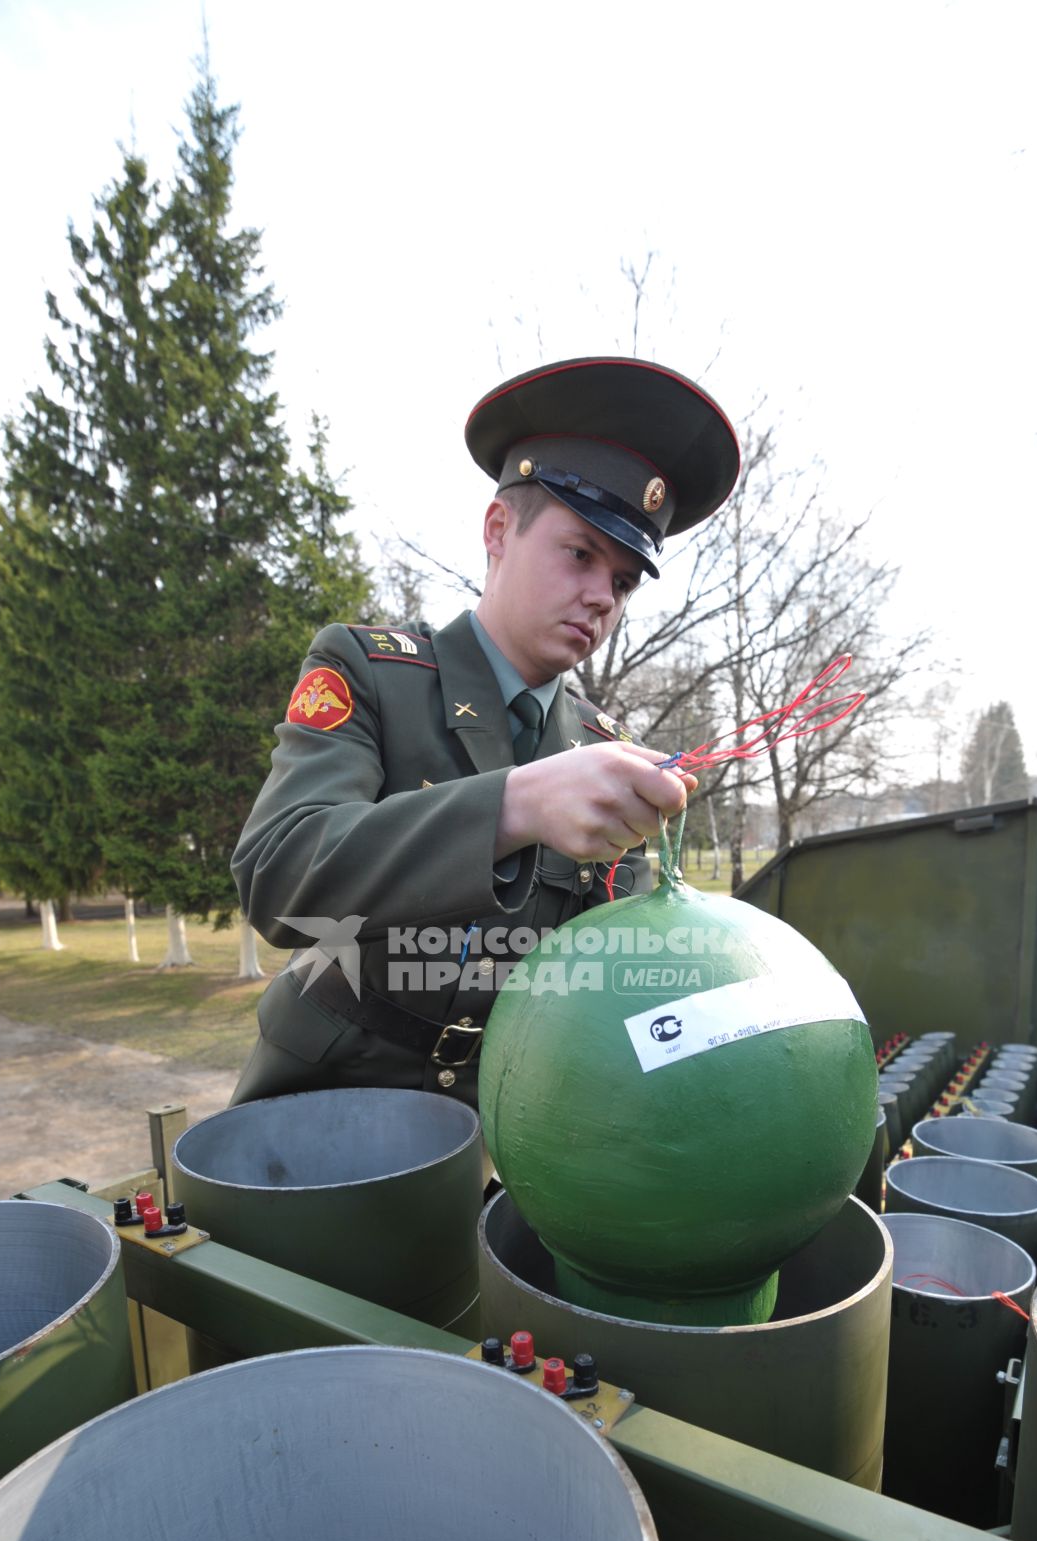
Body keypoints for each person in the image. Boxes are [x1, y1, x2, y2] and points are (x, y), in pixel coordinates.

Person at [230, 356, 740, 1109]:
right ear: (499, 529)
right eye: (580, 554)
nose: (601, 597)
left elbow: (613, 962)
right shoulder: (369, 672)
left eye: (625, 580)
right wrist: (512, 807)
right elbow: (277, 876)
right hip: (326, 1106)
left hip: (502, 1121)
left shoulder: (599, 747)